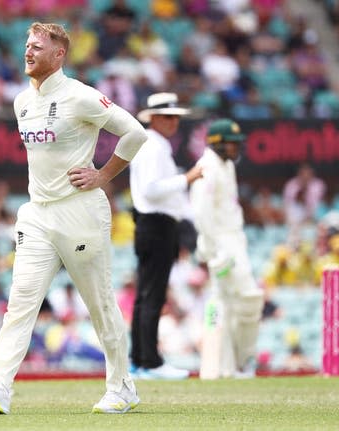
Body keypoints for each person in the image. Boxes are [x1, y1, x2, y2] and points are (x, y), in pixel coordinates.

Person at [0, 22, 148, 415]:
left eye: (37, 47)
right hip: (37, 213)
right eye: (27, 45)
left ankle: (122, 386)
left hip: (79, 210)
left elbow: (134, 132)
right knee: (22, 299)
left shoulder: (80, 96)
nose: (28, 52)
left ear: (59, 54)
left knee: (99, 303)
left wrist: (103, 175)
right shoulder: (21, 102)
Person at [129, 92, 203, 379]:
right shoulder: (152, 146)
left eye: (176, 117)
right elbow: (151, 189)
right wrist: (187, 178)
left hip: (157, 224)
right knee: (152, 295)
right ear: (155, 118)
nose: (174, 122)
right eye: (169, 117)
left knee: (148, 294)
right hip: (154, 224)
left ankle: (141, 360)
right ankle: (148, 362)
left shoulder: (156, 146)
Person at [190, 118, 264, 379]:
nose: (237, 148)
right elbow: (200, 212)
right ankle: (242, 361)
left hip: (235, 240)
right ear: (217, 144)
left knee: (231, 303)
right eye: (232, 144)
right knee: (246, 297)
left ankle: (227, 367)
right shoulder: (207, 167)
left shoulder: (226, 165)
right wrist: (214, 251)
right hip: (223, 245)